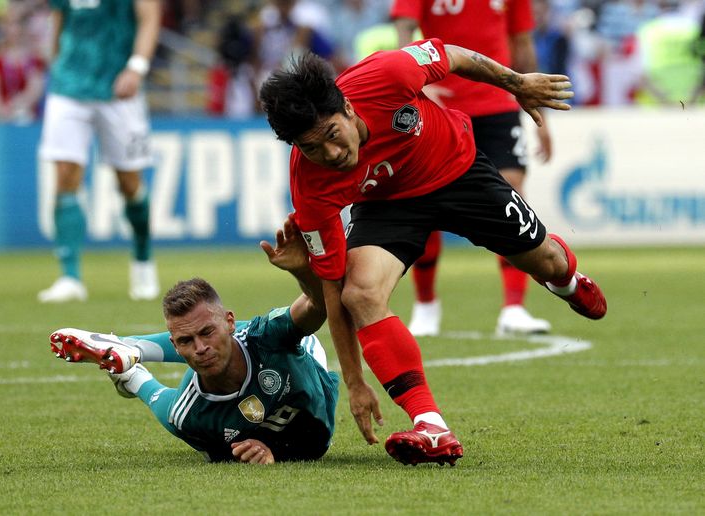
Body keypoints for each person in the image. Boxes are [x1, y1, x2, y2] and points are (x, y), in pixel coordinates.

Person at [258, 40, 607, 465]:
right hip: (388, 206)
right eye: (312, 148)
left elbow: (457, 56)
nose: (331, 154)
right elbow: (331, 286)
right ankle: (431, 424)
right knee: (360, 293)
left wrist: (517, 84)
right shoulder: (309, 184)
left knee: (546, 260)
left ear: (347, 109)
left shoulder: (387, 75)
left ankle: (567, 281)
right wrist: (353, 381)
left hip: (456, 169)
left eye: (332, 135)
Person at [49, 216, 340, 464]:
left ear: (228, 320)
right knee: (152, 393)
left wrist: (303, 272)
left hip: (308, 367)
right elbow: (245, 454)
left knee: (259, 333)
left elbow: (318, 305)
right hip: (218, 406)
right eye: (186, 341)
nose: (200, 348)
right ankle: (131, 374)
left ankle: (129, 346)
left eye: (207, 333)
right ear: (175, 346)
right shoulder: (188, 414)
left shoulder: (268, 337)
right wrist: (271, 451)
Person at [391, 0, 554, 337]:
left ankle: (513, 307)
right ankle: (425, 305)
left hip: (499, 103)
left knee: (511, 196)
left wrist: (540, 113)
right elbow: (405, 30)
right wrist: (415, 83)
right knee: (424, 196)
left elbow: (521, 44)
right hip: (442, 103)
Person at [37, 0, 161, 303]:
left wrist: (137, 67)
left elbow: (149, 16)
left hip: (119, 88)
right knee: (65, 175)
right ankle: (70, 277)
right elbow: (58, 21)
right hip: (69, 86)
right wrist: (56, 65)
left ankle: (143, 260)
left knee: (129, 182)